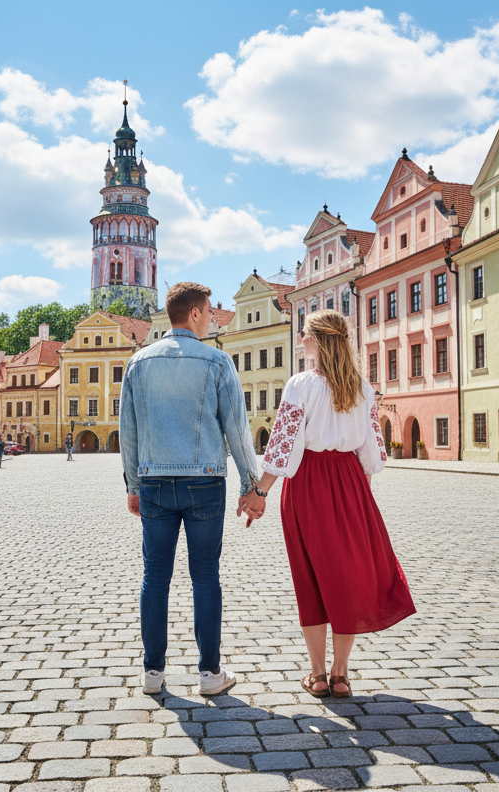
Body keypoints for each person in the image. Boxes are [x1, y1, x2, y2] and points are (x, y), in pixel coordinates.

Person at [251, 310, 415, 698]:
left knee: (309, 576)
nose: (300, 338)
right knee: (346, 576)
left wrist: (259, 493)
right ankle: (341, 675)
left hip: (308, 483)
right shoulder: (362, 387)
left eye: (304, 333)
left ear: (318, 340)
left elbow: (283, 444)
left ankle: (318, 674)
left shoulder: (300, 384)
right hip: (351, 484)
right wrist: (360, 496)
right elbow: (372, 451)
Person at [120, 281, 261, 697]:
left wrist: (133, 484)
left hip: (155, 481)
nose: (214, 319)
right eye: (210, 313)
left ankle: (152, 672)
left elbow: (129, 432)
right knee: (205, 576)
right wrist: (251, 485)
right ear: (195, 314)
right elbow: (236, 429)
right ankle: (209, 674)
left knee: (155, 576)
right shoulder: (217, 361)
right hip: (204, 481)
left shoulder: (139, 362)